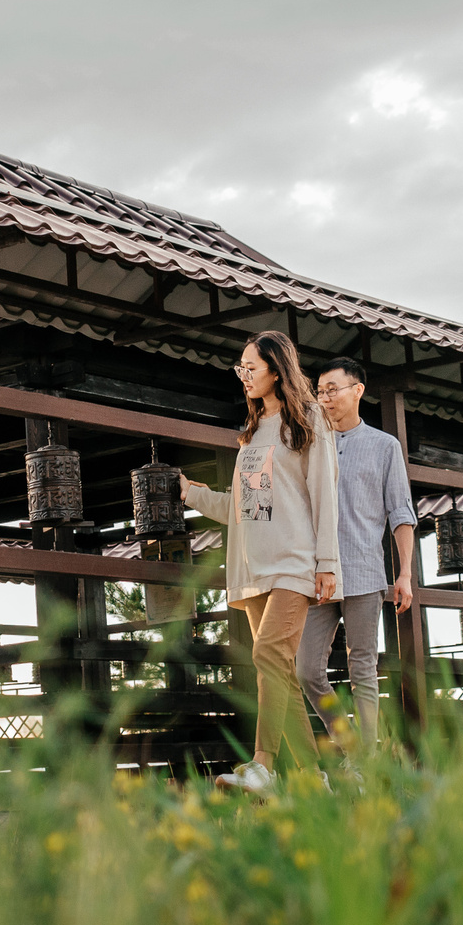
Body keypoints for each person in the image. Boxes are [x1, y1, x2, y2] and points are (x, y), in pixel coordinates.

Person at [179, 330, 339, 793]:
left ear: (276, 369)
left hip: (295, 564)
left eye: (251, 367)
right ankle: (313, 781)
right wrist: (192, 493)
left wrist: (326, 563)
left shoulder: (309, 420)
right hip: (252, 569)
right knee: (280, 673)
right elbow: (243, 508)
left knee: (267, 653)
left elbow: (325, 494)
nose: (244, 376)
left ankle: (263, 766)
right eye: (240, 369)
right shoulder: (251, 433)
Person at [298, 357, 418, 756]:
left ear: (357, 391)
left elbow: (401, 513)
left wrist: (404, 575)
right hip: (318, 575)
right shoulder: (310, 445)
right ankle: (350, 745)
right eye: (320, 392)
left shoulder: (385, 447)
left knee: (362, 668)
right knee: (306, 669)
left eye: (333, 389)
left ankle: (366, 763)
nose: (325, 398)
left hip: (365, 572)